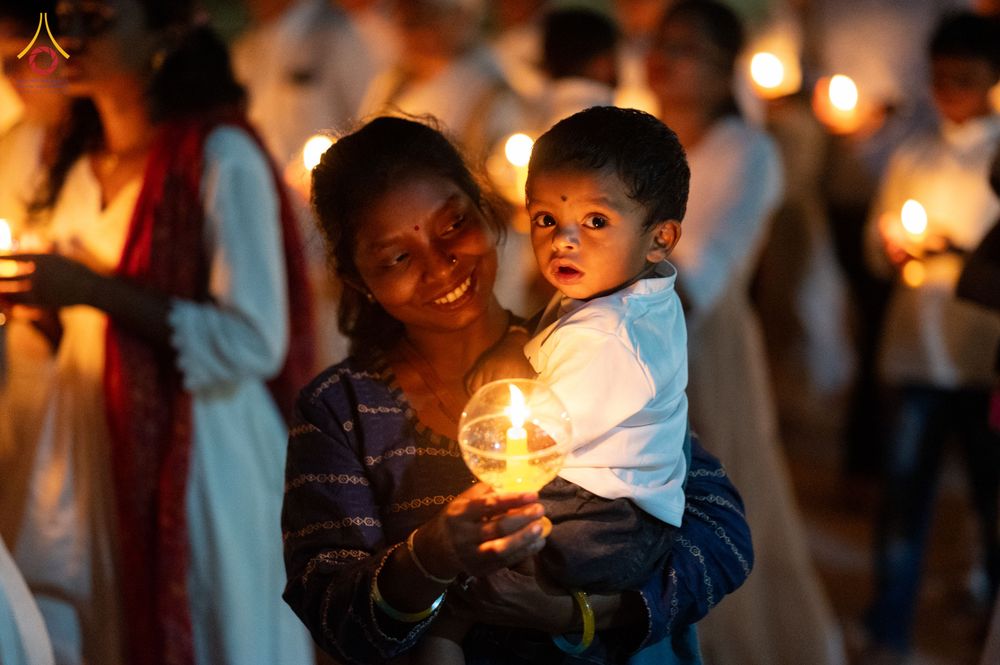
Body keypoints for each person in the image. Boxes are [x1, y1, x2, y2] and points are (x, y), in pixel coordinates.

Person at [282, 115, 754, 664]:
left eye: (453, 225)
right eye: (397, 257)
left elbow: (723, 539)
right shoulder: (340, 413)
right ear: (360, 279)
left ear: (489, 212)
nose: (440, 266)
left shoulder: (588, 351)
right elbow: (334, 615)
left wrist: (573, 613)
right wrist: (428, 557)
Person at [0, 1, 315, 664]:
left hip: (203, 450)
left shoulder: (221, 155)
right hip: (87, 435)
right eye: (63, 20)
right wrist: (42, 304)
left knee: (211, 624)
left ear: (169, 28)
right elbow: (78, 323)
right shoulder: (76, 159)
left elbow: (256, 339)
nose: (70, 40)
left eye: (98, 20)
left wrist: (89, 290)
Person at [418, 105, 691, 664]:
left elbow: (538, 443)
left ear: (659, 237)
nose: (563, 240)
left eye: (595, 222)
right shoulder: (618, 293)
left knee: (470, 587)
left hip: (604, 519)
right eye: (545, 219)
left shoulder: (611, 337)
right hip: (626, 506)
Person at [646, 3, 847, 664]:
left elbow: (710, 260)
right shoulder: (643, 135)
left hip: (705, 345)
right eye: (659, 43)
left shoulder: (749, 151)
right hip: (631, 330)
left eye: (684, 48)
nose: (664, 59)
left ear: (721, 67)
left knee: (709, 499)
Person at [862, 11, 1000, 662]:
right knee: (904, 495)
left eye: (965, 79)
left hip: (979, 353)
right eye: (941, 78)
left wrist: (959, 253)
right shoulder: (912, 152)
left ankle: (984, 627)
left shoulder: (995, 159)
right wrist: (891, 249)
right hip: (917, 348)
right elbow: (873, 242)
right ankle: (889, 623)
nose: (950, 91)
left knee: (988, 499)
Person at [357, 0, 528, 160]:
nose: (409, 33)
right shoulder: (392, 83)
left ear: (460, 18)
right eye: (403, 20)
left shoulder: (489, 92)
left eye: (420, 18)